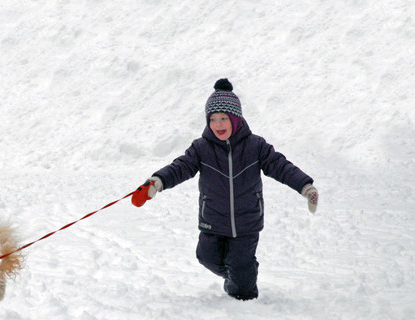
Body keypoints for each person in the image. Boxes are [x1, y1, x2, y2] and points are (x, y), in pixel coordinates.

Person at [133, 78, 318, 300]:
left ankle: (244, 288)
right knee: (206, 257)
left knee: (242, 283)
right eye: (213, 119)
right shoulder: (201, 148)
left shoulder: (255, 146)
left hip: (246, 220)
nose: (218, 124)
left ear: (236, 119)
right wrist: (157, 182)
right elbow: (181, 167)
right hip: (213, 218)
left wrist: (305, 186)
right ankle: (239, 275)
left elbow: (280, 166)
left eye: (224, 118)